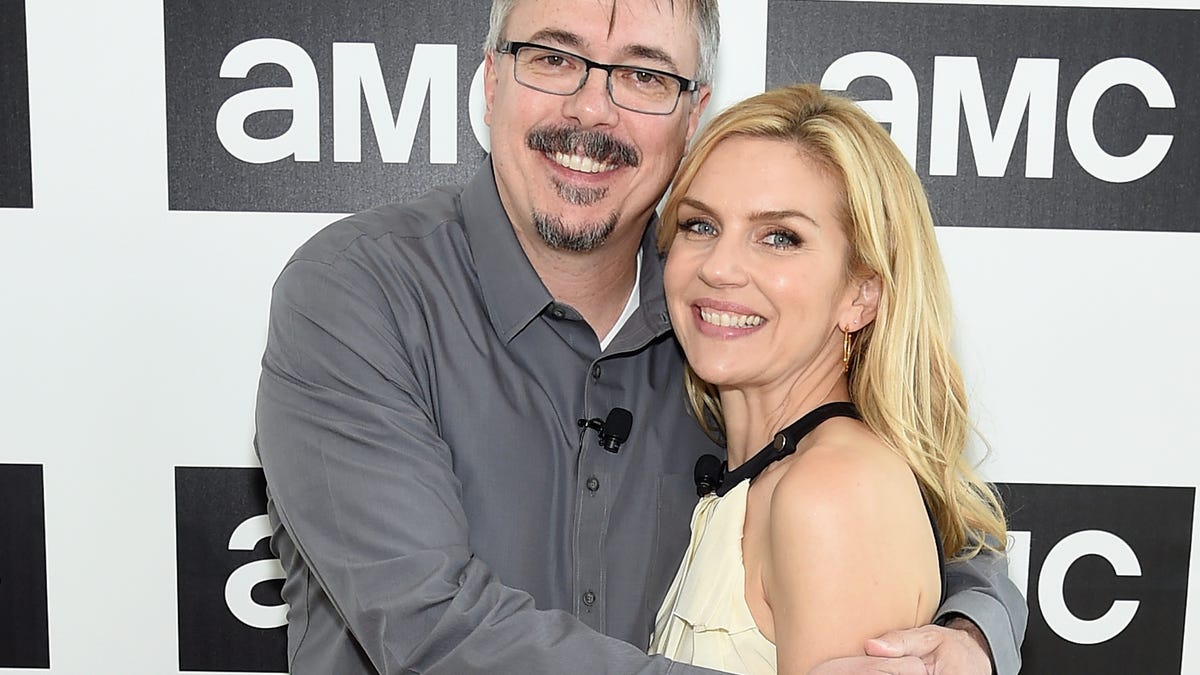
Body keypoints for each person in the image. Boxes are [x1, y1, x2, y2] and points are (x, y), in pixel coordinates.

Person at [254, 1, 1026, 673]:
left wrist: (971, 628)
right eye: (553, 58)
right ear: (490, 83)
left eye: (644, 74)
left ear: (692, 116)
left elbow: (902, 516)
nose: (592, 109)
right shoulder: (358, 294)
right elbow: (430, 626)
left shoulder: (727, 324)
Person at [646, 83, 1009, 674]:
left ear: (861, 293)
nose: (719, 267)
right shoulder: (761, 477)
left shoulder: (831, 492)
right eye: (700, 225)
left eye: (779, 237)